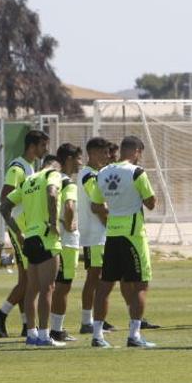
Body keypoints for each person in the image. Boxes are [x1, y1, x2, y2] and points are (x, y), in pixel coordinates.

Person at [90, 136, 158, 348]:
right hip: (133, 236)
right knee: (141, 283)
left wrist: (115, 209)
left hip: (112, 234)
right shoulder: (137, 172)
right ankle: (134, 335)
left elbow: (95, 205)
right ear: (137, 151)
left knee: (105, 285)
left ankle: (97, 335)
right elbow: (151, 203)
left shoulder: (102, 173)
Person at [1, 154, 66, 347]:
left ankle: (31, 335)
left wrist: (19, 233)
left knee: (32, 289)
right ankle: (45, 336)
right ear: (55, 166)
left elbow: (4, 207)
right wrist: (53, 223)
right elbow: (52, 193)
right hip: (46, 238)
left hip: (29, 238)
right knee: (48, 288)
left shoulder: (28, 180)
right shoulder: (52, 174)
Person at [0, 129, 49, 338]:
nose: (46, 150)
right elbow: (4, 201)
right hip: (21, 229)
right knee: (28, 280)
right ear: (33, 146)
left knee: (28, 278)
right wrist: (17, 231)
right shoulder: (17, 168)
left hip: (28, 227)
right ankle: (1, 314)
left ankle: (27, 324)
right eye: (43, 146)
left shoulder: (30, 166)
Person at [78, 137, 116, 334]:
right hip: (95, 234)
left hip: (98, 234)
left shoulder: (93, 174)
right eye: (104, 153)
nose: (107, 156)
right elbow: (97, 205)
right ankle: (87, 321)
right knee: (95, 277)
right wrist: (110, 224)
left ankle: (95, 319)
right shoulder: (89, 175)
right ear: (92, 153)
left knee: (98, 277)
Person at [49, 143, 83, 342]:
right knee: (63, 286)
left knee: (54, 285)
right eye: (79, 158)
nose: (81, 163)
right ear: (69, 159)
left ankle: (50, 327)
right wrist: (69, 224)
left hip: (55, 239)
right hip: (67, 242)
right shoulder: (67, 182)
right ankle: (56, 329)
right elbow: (69, 206)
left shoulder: (53, 179)